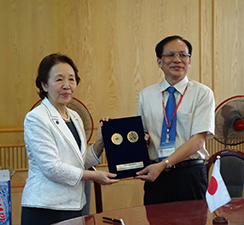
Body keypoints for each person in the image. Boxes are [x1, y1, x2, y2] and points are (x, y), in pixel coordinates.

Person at [21, 53, 119, 225]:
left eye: (71, 79)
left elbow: (78, 161)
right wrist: (94, 176)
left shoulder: (74, 116)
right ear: (44, 84)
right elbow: (52, 168)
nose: (67, 86)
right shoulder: (36, 118)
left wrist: (99, 144)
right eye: (59, 80)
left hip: (75, 205)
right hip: (46, 208)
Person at [135, 35, 215, 205]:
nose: (177, 60)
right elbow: (143, 134)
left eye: (183, 55)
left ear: (189, 61)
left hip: (190, 174)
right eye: (170, 55)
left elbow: (198, 141)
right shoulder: (146, 95)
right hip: (156, 174)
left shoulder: (202, 93)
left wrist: (164, 164)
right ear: (159, 62)